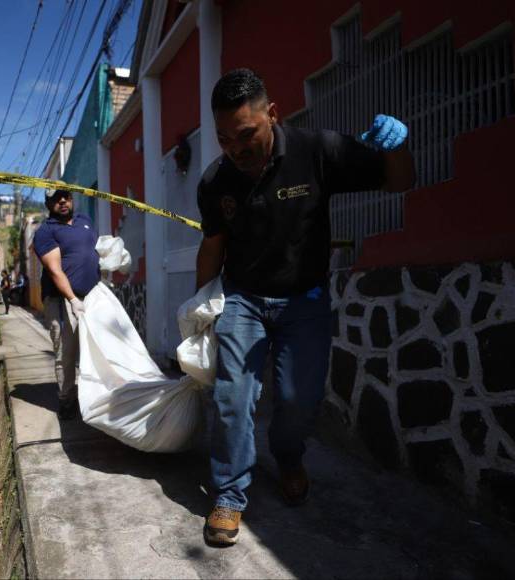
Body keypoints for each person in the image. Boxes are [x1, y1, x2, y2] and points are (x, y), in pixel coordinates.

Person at [196, 68, 415, 546]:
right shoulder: (216, 180)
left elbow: (399, 181)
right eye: (224, 138)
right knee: (233, 399)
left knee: (298, 402)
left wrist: (397, 145)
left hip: (306, 300)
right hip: (243, 300)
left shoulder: (319, 151)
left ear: (272, 115)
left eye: (246, 133)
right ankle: (230, 495)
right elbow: (212, 245)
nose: (235, 148)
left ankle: (288, 457)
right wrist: (200, 310)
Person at [33, 189, 100, 420]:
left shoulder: (85, 221)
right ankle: (67, 400)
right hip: (62, 301)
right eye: (56, 199)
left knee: (96, 350)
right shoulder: (45, 232)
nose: (62, 201)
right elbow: (54, 269)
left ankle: (96, 397)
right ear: (48, 203)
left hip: (93, 298)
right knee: (66, 353)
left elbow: (94, 251)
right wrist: (72, 299)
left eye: (66, 197)